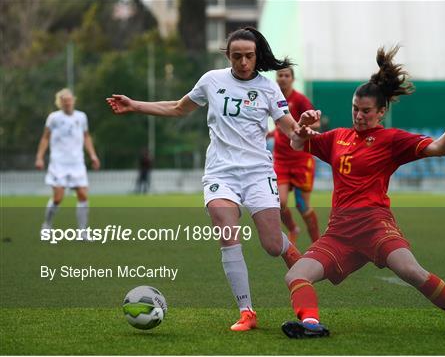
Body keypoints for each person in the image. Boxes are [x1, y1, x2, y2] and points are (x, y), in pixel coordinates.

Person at [281, 46, 445, 338]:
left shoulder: (391, 139)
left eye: (366, 111)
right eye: (355, 108)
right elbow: (296, 144)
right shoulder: (337, 138)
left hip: (375, 226)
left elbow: (438, 148)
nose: (359, 115)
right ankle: (311, 325)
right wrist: (301, 130)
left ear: (382, 111)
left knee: (413, 273)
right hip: (340, 232)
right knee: (296, 274)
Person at [106, 27, 317, 332]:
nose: (243, 62)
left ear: (257, 56)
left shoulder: (269, 89)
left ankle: (291, 254)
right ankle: (247, 311)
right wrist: (135, 105)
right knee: (226, 228)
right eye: (236, 56)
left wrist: (303, 128)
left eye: (248, 56)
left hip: (258, 173)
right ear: (228, 56)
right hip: (221, 172)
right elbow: (179, 108)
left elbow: (289, 130)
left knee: (271, 245)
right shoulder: (212, 81)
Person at [36, 88, 100, 240]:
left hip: (77, 162)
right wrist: (39, 157)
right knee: (58, 197)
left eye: (70, 100)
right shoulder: (54, 118)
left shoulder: (81, 117)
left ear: (73, 100)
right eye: (64, 101)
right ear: (60, 103)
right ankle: (47, 226)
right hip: (59, 163)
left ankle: (83, 232)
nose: (67, 103)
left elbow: (86, 137)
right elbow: (45, 138)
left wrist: (93, 155)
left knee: (83, 195)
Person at [273, 67, 320, 245]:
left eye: (287, 75)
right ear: (276, 78)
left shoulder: (300, 100)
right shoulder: (273, 98)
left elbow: (315, 123)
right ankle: (293, 228)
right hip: (281, 160)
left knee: (302, 205)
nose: (283, 78)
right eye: (280, 75)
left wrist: (301, 128)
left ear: (292, 79)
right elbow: (278, 125)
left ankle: (317, 242)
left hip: (300, 159)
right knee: (279, 203)